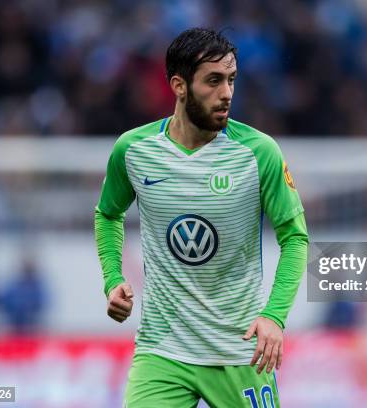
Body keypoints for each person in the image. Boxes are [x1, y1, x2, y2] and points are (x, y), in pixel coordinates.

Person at [94, 28, 308, 407]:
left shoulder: (258, 153)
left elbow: (295, 238)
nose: (226, 93)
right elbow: (108, 213)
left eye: (231, 80)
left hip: (240, 352)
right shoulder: (134, 150)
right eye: (213, 81)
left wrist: (274, 316)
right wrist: (113, 279)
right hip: (162, 351)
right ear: (179, 85)